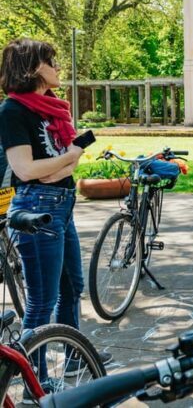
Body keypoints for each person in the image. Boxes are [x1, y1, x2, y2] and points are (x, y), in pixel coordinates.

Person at [0, 39, 112, 366]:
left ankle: (76, 358)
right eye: (52, 61)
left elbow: (64, 165)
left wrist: (63, 162)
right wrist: (70, 155)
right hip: (37, 209)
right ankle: (34, 377)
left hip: (62, 203)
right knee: (41, 301)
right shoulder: (12, 111)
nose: (58, 67)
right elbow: (25, 169)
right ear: (34, 67)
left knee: (72, 286)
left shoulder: (52, 109)